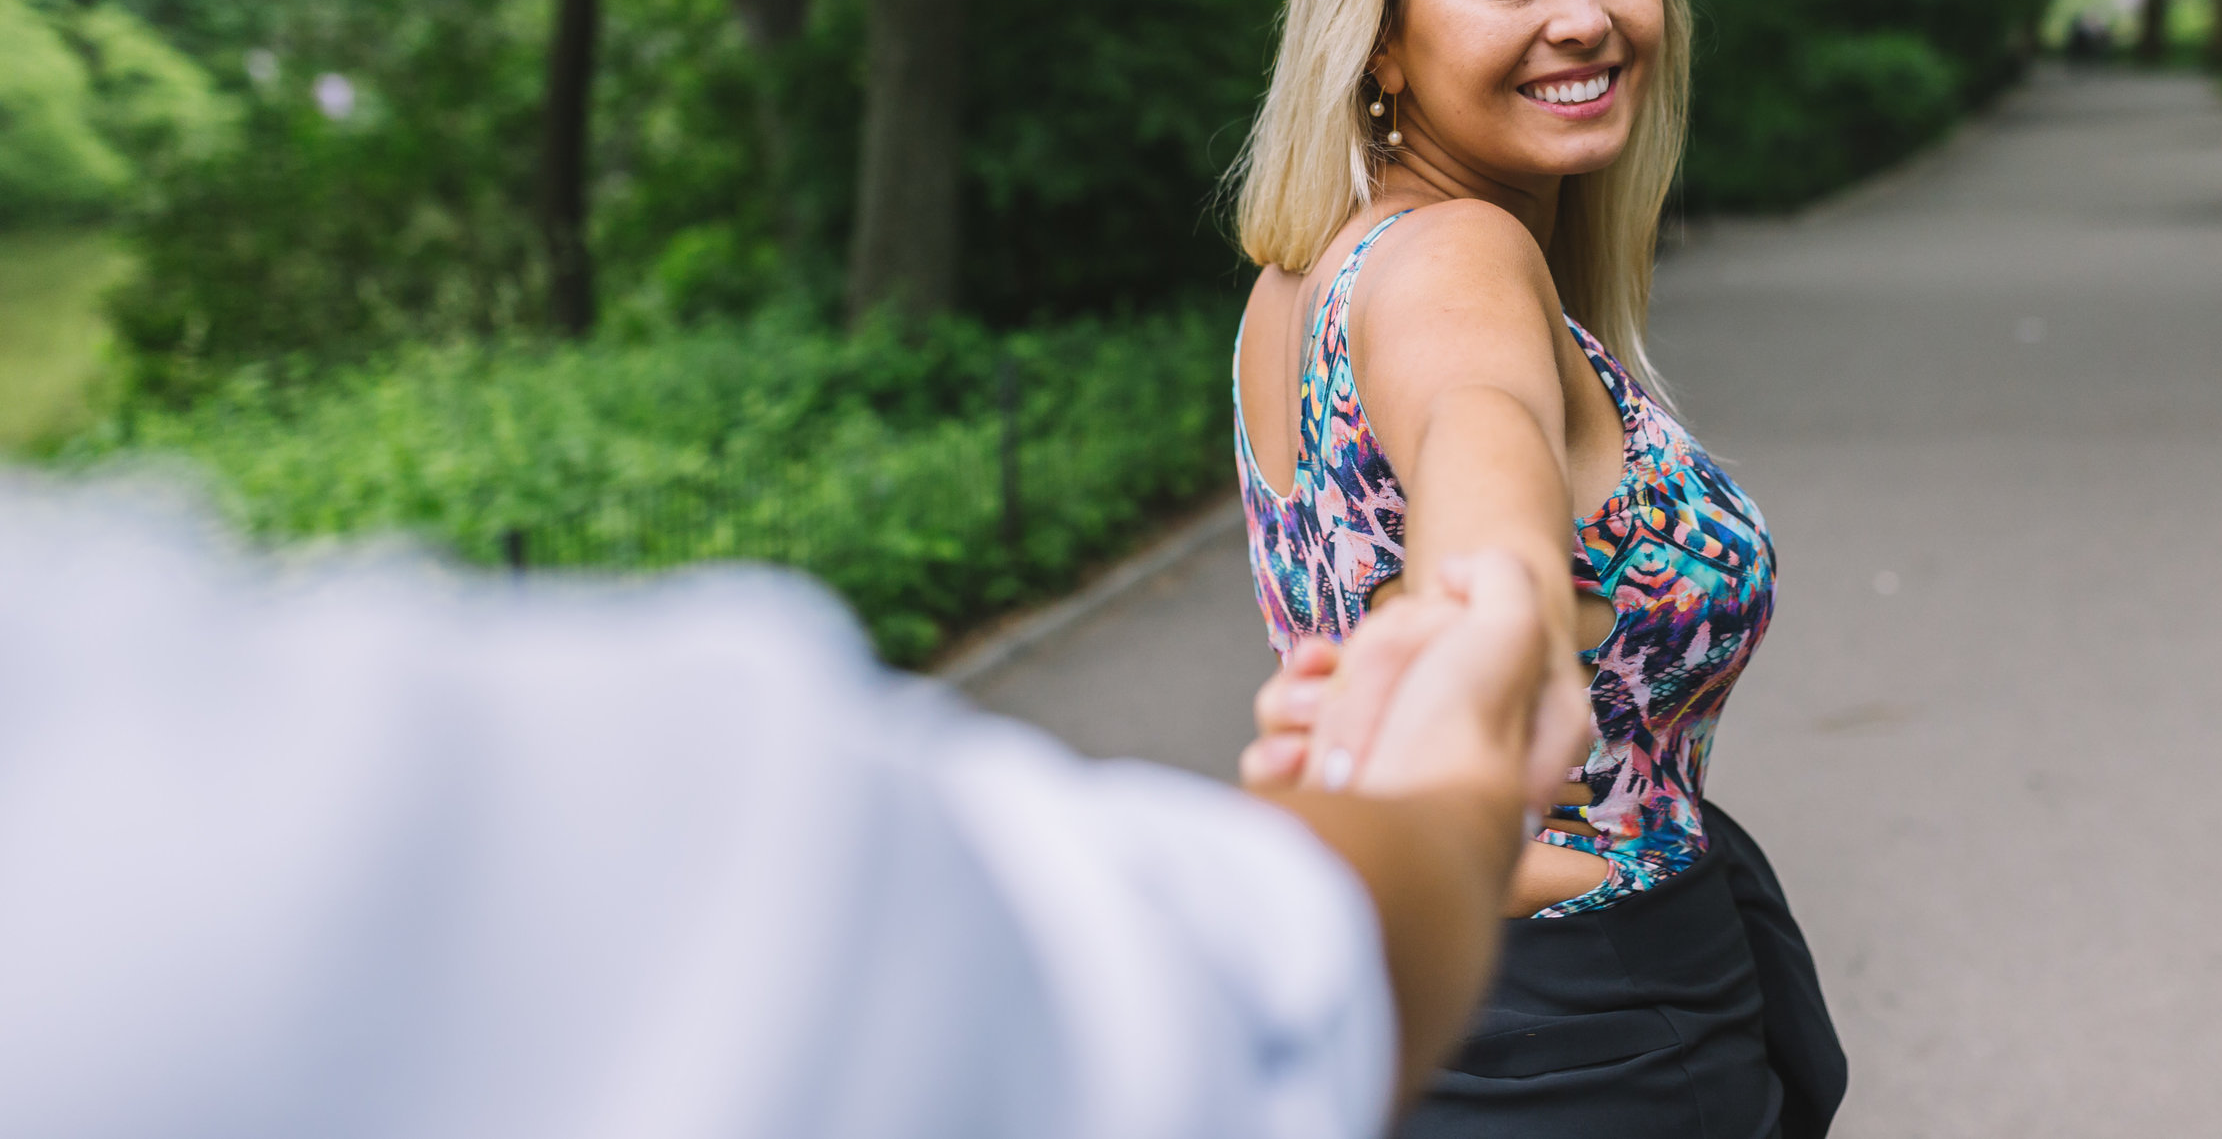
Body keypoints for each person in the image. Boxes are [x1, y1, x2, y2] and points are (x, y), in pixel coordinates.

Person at [0, 475, 1585, 1138]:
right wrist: (1456, 745)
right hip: (1567, 982)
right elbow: (1137, 999)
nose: (1589, 10)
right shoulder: (1453, 260)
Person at [1226, 0, 1846, 1136]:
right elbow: (1479, 446)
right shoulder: (1456, 261)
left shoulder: (1304, 277)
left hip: (1438, 1010)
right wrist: (1492, 619)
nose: (1588, 13)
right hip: (1595, 1044)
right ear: (1378, 25)